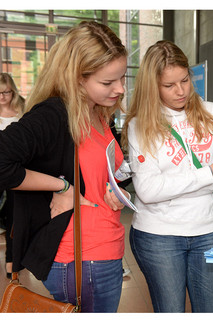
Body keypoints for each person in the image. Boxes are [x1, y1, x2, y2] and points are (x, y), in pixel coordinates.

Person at [0, 21, 131, 313]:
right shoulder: (54, 115)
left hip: (104, 247)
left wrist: (113, 188)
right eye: (108, 82)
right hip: (81, 257)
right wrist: (62, 187)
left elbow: (96, 173)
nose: (120, 89)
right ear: (77, 78)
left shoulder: (97, 112)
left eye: (121, 78)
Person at [121, 40, 213, 313]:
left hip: (206, 230)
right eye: (169, 85)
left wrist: (178, 183)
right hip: (157, 236)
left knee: (210, 310)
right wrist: (207, 172)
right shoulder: (141, 124)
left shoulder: (211, 113)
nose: (180, 91)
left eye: (184, 80)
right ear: (153, 86)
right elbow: (148, 191)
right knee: (170, 311)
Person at [0, 72, 25, 279]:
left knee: (13, 217)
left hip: (16, 171)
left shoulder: (23, 110)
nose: (2, 97)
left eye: (6, 92)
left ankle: (11, 260)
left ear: (13, 91)